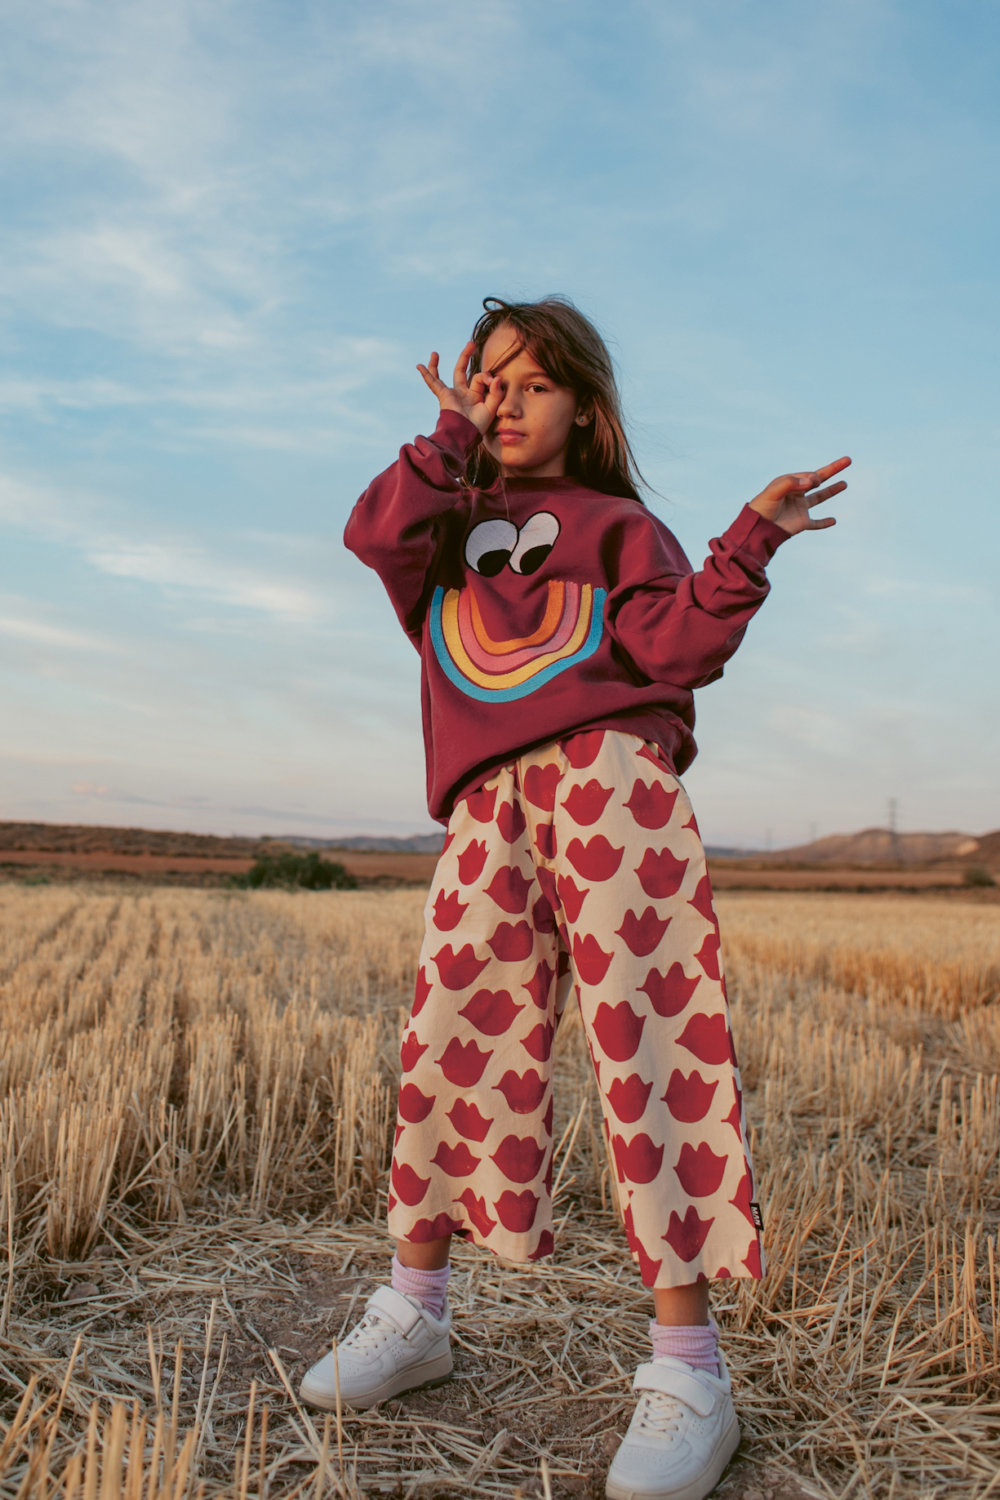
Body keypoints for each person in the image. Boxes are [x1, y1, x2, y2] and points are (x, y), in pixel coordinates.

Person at [301, 296, 849, 1500]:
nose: (500, 401)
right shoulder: (437, 531)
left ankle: (689, 1370)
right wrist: (444, 442)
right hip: (484, 802)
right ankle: (417, 1308)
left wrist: (746, 540)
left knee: (655, 1051)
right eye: (483, 381)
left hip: (613, 783)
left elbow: (675, 650)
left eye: (528, 384)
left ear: (585, 407)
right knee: (448, 1042)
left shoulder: (619, 528)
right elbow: (368, 535)